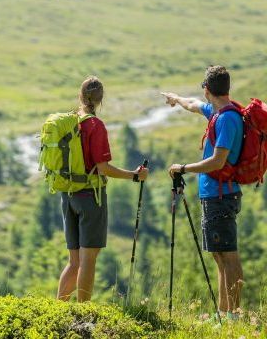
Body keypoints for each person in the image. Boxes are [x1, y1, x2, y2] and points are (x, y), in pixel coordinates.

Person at [57, 76, 149, 302]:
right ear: (100, 100)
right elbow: (103, 168)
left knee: (74, 261)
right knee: (88, 259)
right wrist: (134, 176)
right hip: (91, 197)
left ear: (80, 96)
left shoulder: (69, 121)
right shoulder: (95, 125)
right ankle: (83, 311)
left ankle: (58, 309)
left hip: (68, 195)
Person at [162, 65, 243, 320]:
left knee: (228, 255)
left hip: (222, 194)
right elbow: (193, 104)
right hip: (214, 194)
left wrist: (183, 168)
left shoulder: (228, 119)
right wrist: (176, 99)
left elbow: (218, 161)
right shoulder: (217, 112)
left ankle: (234, 317)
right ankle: (223, 313)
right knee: (219, 255)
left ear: (208, 89)